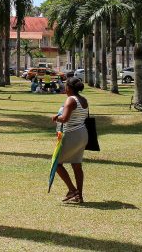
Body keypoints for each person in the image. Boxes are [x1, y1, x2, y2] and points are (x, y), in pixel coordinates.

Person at [51, 76, 89, 204]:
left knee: (57, 163)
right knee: (76, 165)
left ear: (69, 87)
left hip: (71, 134)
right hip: (82, 134)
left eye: (65, 86)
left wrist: (57, 117)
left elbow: (65, 118)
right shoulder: (83, 100)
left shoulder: (70, 100)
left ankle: (73, 190)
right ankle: (79, 195)